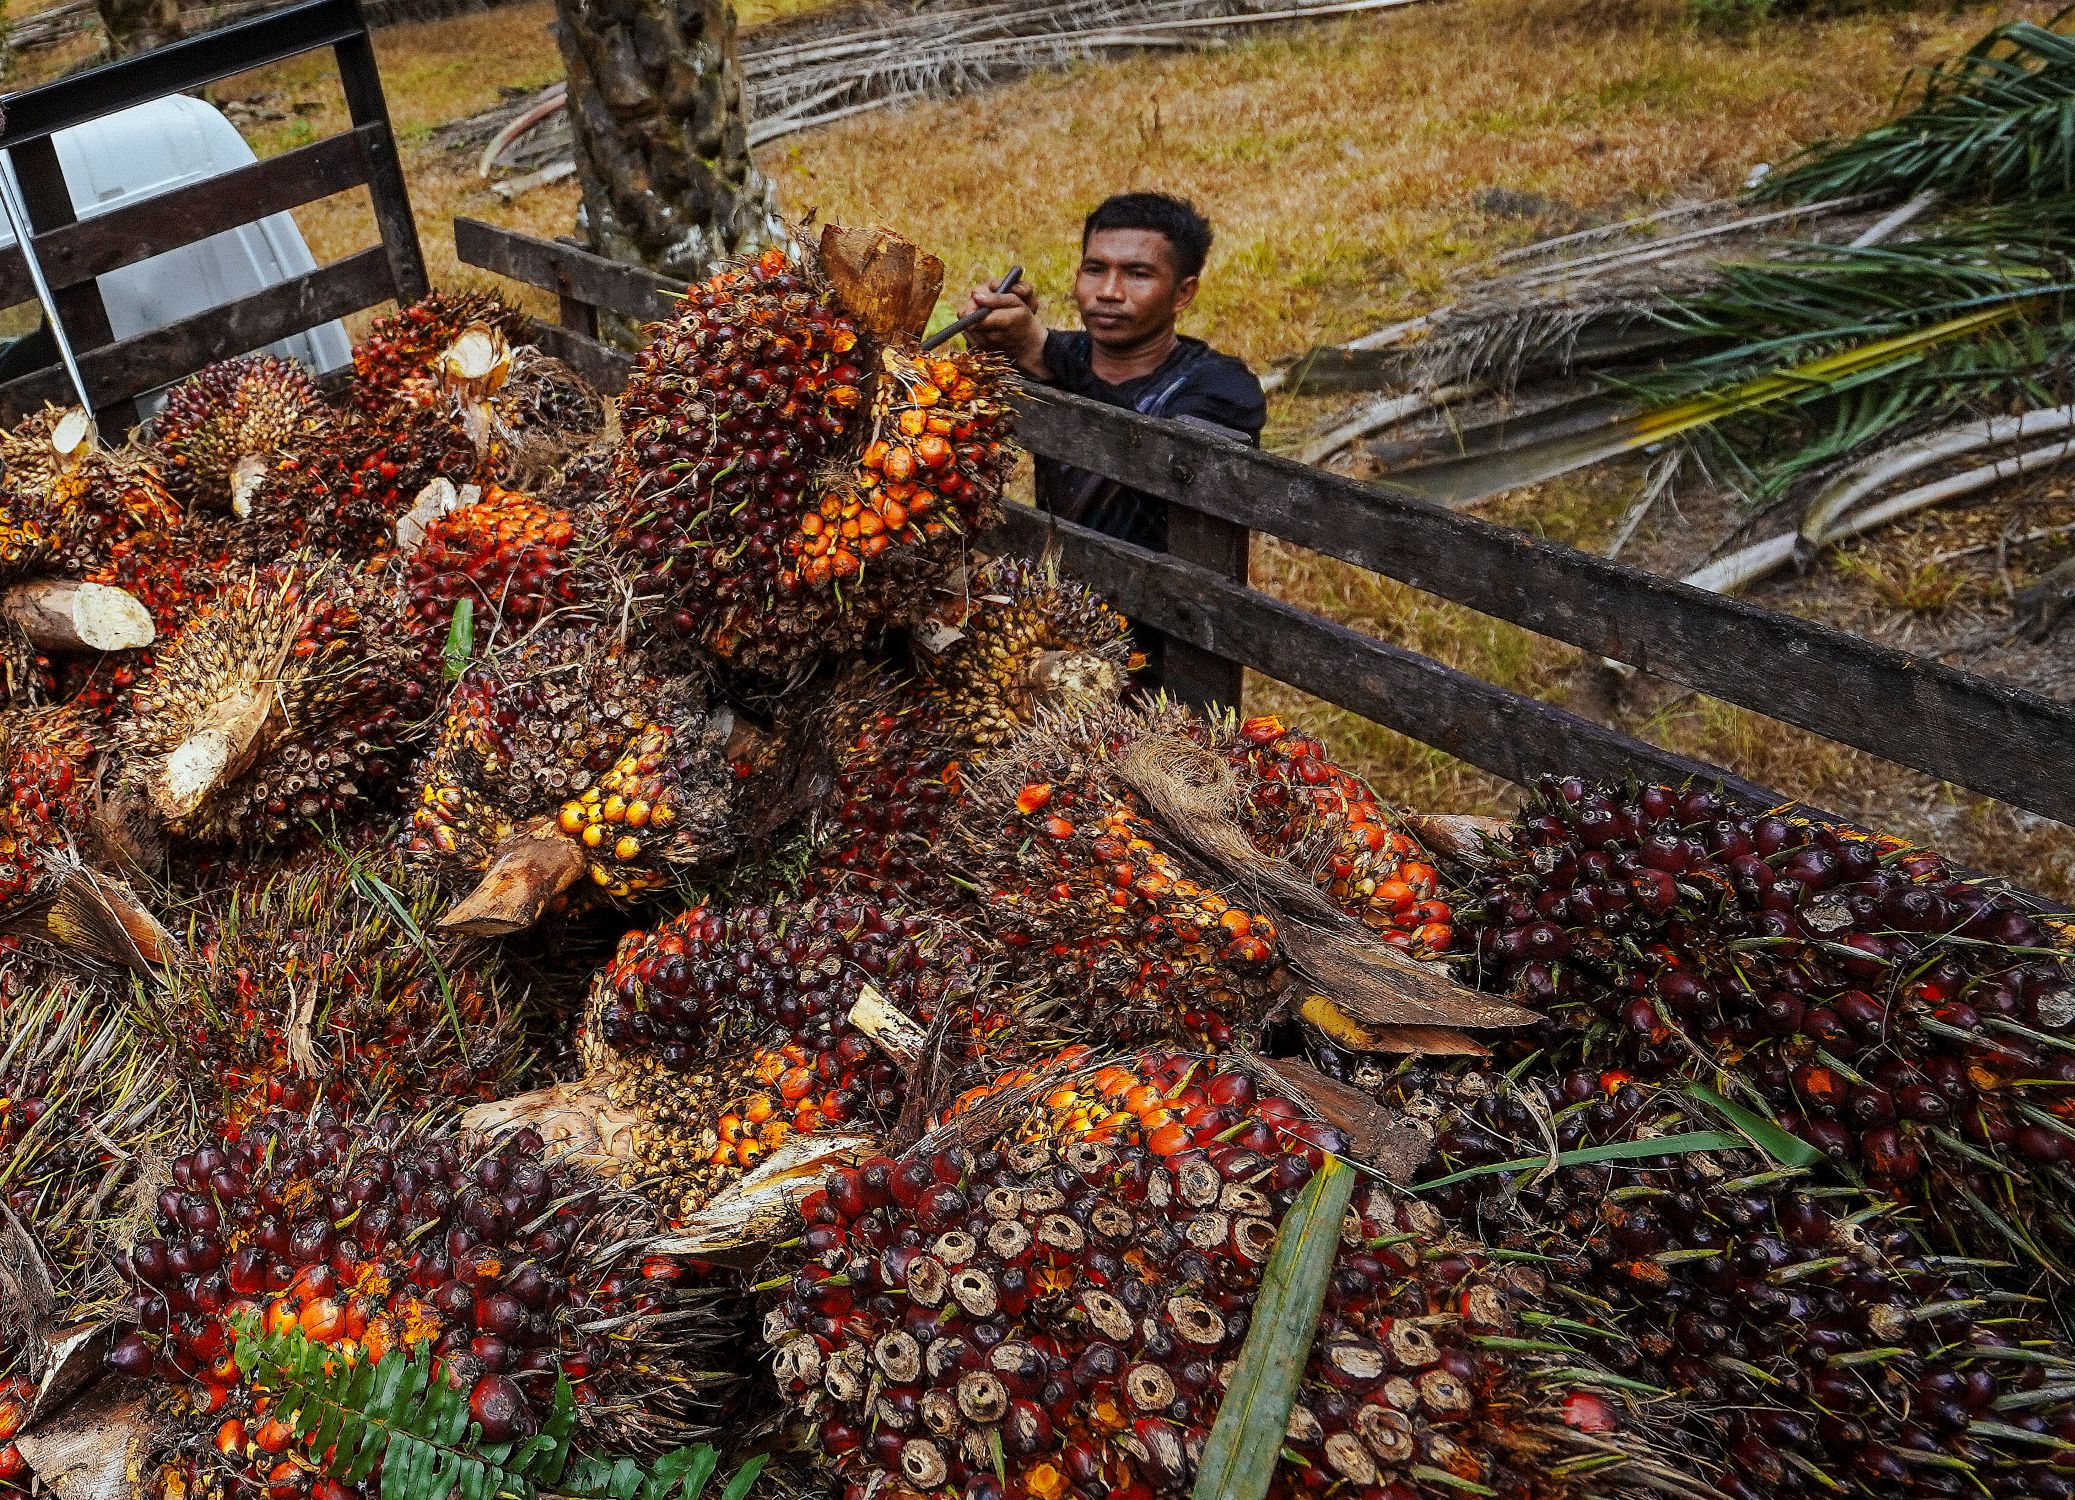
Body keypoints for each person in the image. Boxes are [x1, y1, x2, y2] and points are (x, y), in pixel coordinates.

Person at [958, 191, 1266, 555]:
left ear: (1183, 293)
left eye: (1137, 274)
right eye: (1095, 269)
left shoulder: (1222, 388)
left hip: (1165, 603)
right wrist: (990, 338)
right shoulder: (1063, 353)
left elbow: (1162, 464)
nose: (1108, 292)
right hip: (1058, 597)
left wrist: (1039, 352)